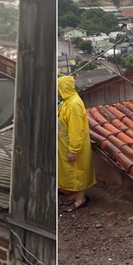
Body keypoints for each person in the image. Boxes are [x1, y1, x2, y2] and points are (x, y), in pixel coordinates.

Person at [58, 75, 96, 211]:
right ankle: (77, 195)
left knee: (77, 173)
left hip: (74, 146)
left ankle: (81, 200)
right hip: (66, 144)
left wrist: (73, 150)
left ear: (64, 88)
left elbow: (76, 129)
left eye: (58, 88)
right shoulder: (66, 101)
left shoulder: (74, 104)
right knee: (72, 172)